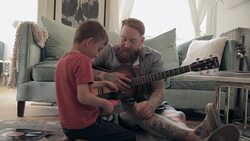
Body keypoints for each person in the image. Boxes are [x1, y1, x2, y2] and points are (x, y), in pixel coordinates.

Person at [92, 18, 240, 141]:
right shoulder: (108, 51)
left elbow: (159, 89)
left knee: (175, 116)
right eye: (123, 39)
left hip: (150, 104)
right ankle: (194, 136)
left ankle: (197, 132)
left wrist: (151, 103)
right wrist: (106, 76)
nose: (126, 44)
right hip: (121, 108)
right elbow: (77, 67)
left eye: (133, 41)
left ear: (142, 40)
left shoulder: (154, 57)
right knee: (134, 111)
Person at [55, 20, 136, 141]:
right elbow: (83, 97)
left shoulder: (63, 60)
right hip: (85, 125)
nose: (98, 55)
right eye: (99, 49)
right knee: (129, 137)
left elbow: (75, 85)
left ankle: (77, 137)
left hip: (67, 126)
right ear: (90, 42)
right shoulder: (83, 60)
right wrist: (105, 104)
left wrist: (102, 83)